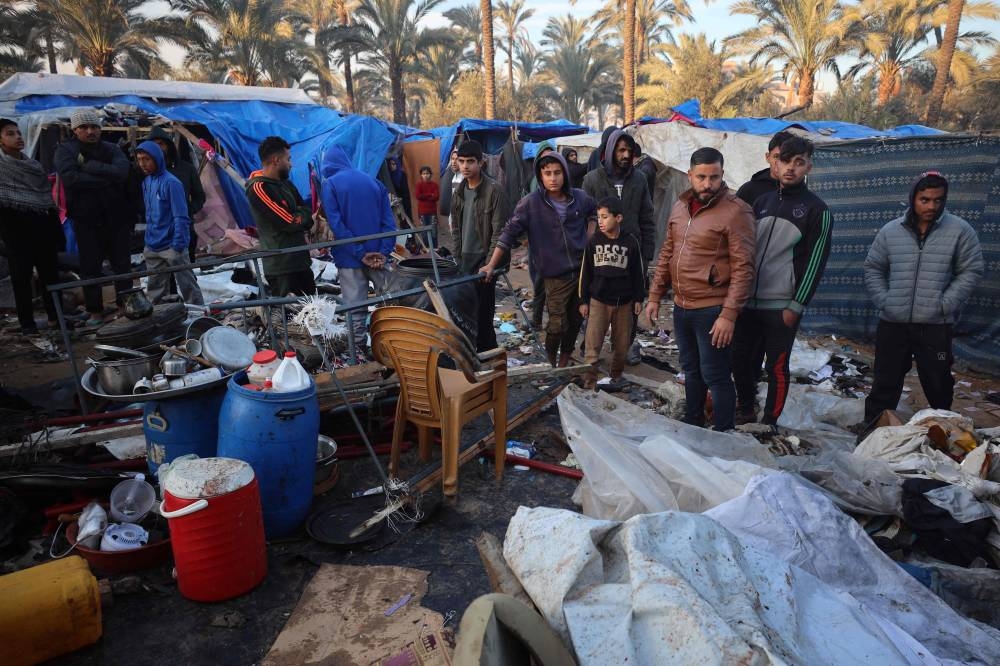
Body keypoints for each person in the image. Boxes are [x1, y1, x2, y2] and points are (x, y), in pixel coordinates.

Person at [645, 147, 755, 432]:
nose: (708, 184)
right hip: (682, 306)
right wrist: (655, 295)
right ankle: (693, 423)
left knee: (716, 374)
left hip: (713, 308)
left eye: (714, 177)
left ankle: (723, 432)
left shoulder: (735, 211)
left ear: (722, 175)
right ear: (690, 175)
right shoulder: (680, 207)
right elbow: (668, 252)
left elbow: (744, 268)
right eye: (702, 177)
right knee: (691, 371)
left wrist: (728, 315)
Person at [863, 172, 984, 423]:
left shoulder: (960, 231)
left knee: (938, 382)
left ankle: (946, 433)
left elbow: (971, 270)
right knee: (885, 382)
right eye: (925, 199)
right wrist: (886, 301)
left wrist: (945, 304)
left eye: (938, 200)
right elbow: (873, 267)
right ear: (913, 199)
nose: (932, 206)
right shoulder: (891, 231)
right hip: (893, 322)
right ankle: (872, 430)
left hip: (935, 326)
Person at [731, 136, 832, 426]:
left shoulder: (817, 210)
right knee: (739, 358)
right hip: (749, 301)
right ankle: (746, 408)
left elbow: (816, 262)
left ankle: (769, 422)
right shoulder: (760, 202)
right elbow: (745, 250)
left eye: (798, 163)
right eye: (785, 161)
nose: (790, 168)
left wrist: (797, 304)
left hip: (782, 304)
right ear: (774, 162)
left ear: (808, 167)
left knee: (776, 366)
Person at [481, 151, 596, 367]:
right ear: (540, 176)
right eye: (547, 173)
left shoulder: (579, 198)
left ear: (565, 174)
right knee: (556, 325)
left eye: (557, 173)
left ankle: (563, 362)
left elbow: (594, 211)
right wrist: (490, 264)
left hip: (582, 273)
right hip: (554, 275)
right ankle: (550, 360)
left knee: (575, 321)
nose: (553, 178)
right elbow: (508, 234)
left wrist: (590, 234)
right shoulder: (530, 204)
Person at [53, 107, 133, 327]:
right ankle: (95, 311)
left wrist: (88, 167)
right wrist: (106, 178)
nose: (90, 131)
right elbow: (71, 178)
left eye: (94, 127)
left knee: (122, 266)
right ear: (75, 130)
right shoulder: (65, 151)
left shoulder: (110, 149)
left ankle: (125, 307)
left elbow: (122, 172)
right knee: (90, 268)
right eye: (84, 127)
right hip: (85, 219)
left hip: (116, 217)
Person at [583, 128, 656, 365]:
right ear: (610, 150)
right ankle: (591, 344)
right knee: (597, 298)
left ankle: (623, 346)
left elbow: (647, 216)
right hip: (600, 255)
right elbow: (584, 218)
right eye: (620, 150)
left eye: (629, 150)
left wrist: (647, 253)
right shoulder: (592, 179)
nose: (626, 155)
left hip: (632, 254)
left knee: (631, 302)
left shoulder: (639, 179)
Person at [320, 145, 397, 356]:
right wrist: (384, 251)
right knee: (391, 303)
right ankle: (396, 348)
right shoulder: (374, 182)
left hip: (349, 259)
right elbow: (389, 223)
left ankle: (359, 355)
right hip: (379, 258)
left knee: (354, 310)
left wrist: (359, 252)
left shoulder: (330, 185)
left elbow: (337, 225)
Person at [0, 118, 63, 335]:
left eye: (18, 132)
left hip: (42, 230)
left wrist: (56, 232)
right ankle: (28, 324)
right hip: (16, 234)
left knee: (50, 277)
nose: (18, 136)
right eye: (10, 133)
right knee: (21, 279)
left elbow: (47, 201)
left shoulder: (34, 167)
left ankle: (56, 319)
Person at [578, 195, 645, 390]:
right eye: (598, 217)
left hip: (624, 303)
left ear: (619, 218)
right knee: (592, 347)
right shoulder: (593, 242)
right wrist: (583, 300)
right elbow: (585, 273)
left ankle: (615, 377)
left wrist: (639, 298)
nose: (600, 221)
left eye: (605, 217)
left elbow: (637, 273)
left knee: (622, 346)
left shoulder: (630, 242)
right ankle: (589, 384)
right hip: (598, 301)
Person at [451, 140, 511, 352]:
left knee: (484, 314)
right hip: (465, 260)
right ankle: (472, 355)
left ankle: (489, 357)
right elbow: (456, 229)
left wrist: (490, 265)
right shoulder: (458, 191)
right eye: (462, 161)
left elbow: (500, 233)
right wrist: (457, 260)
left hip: (485, 260)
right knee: (465, 310)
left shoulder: (494, 191)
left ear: (481, 163)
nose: (465, 166)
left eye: (470, 162)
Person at [134, 141, 204, 306]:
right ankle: (161, 323)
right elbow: (150, 215)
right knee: (155, 290)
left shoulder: (171, 183)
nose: (142, 164)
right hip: (153, 245)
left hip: (172, 245)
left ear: (157, 159)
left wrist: (178, 245)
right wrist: (148, 242)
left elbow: (181, 216)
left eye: (147, 159)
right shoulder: (147, 182)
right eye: (139, 159)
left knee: (188, 287)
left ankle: (199, 318)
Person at [245, 136, 315, 297]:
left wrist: (301, 216)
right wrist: (300, 216)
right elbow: (289, 222)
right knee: (290, 318)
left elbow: (306, 212)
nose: (291, 164)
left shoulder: (286, 184)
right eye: (288, 159)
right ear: (276, 160)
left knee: (315, 313)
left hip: (301, 261)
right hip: (282, 266)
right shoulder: (258, 188)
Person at [147, 126, 206, 261]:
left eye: (160, 144)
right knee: (163, 273)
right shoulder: (146, 170)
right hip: (158, 229)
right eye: (153, 145)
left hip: (183, 227)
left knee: (186, 270)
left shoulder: (186, 169)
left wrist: (189, 210)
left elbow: (199, 195)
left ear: (168, 145)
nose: (158, 148)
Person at [735, 130, 795, 207]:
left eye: (786, 157)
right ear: (768, 157)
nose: (780, 162)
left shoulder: (803, 195)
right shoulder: (748, 191)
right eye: (776, 157)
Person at [438, 148, 461, 251]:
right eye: (452, 158)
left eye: (457, 159)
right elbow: (453, 200)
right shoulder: (454, 177)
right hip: (455, 219)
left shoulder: (465, 178)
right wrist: (451, 220)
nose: (454, 162)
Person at [414, 165, 440, 247]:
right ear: (421, 175)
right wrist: (430, 194)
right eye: (423, 173)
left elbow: (436, 197)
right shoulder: (419, 185)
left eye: (427, 173)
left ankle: (435, 249)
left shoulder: (434, 185)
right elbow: (418, 196)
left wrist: (424, 196)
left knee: (433, 231)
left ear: (431, 174)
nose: (426, 175)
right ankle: (427, 249)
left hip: (432, 212)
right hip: (422, 212)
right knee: (424, 232)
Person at [386, 157, 412, 221]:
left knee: (406, 217)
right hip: (394, 201)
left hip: (404, 200)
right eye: (390, 164)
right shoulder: (388, 176)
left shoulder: (402, 175)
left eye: (394, 164)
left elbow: (405, 190)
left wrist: (401, 198)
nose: (392, 166)